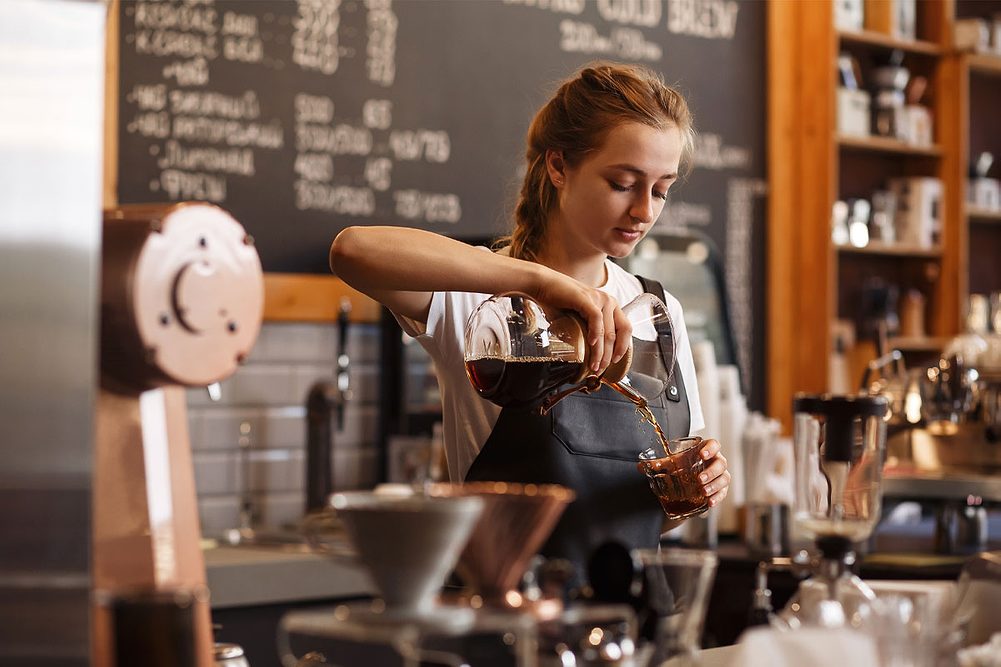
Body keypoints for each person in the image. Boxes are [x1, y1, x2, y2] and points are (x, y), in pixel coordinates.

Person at [330, 62, 730, 585]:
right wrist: (539, 283)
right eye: (623, 183)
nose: (643, 211)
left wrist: (697, 489)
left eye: (660, 190)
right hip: (507, 613)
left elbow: (658, 508)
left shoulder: (658, 311)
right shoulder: (480, 302)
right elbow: (352, 251)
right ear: (559, 167)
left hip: (631, 620)